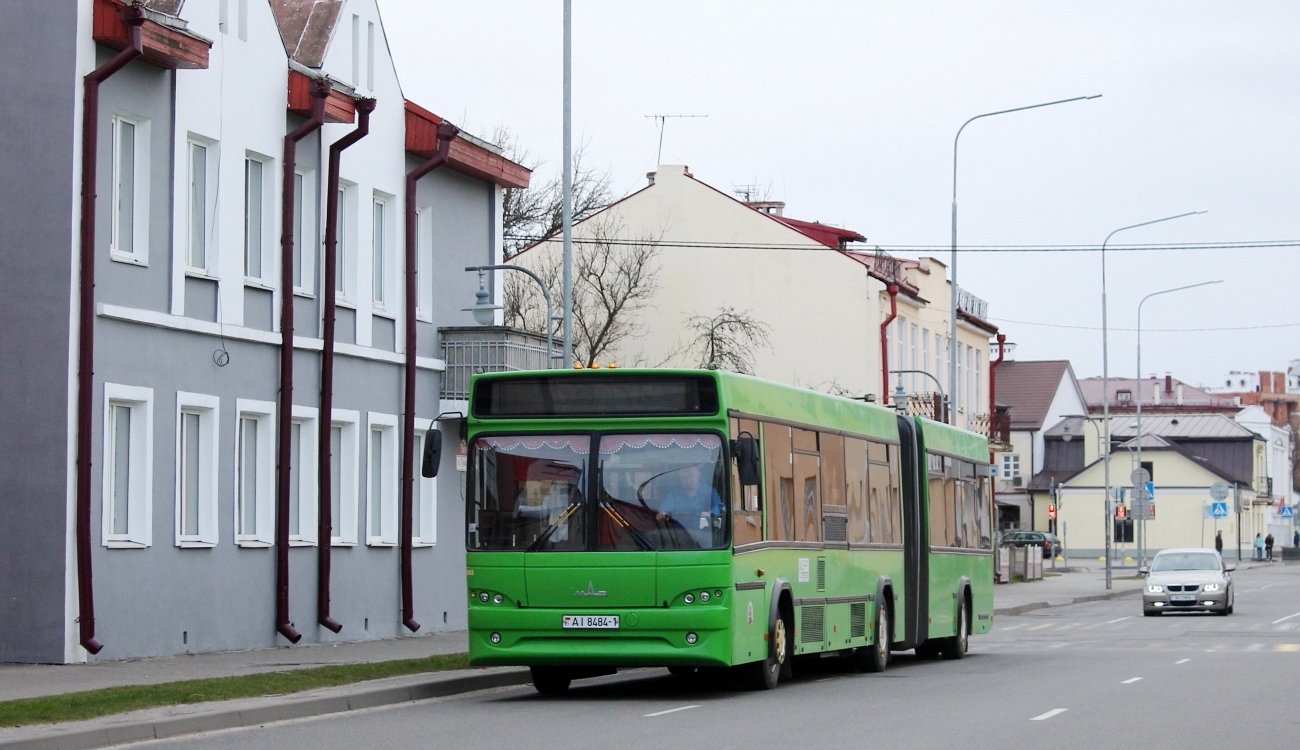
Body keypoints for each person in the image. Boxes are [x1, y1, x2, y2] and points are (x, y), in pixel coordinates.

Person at [655, 463, 723, 548]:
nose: (688, 480)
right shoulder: (674, 495)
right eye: (684, 478)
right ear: (680, 480)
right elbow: (663, 511)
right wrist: (662, 514)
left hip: (703, 534)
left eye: (690, 476)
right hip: (679, 535)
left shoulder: (708, 492)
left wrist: (709, 513)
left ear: (698, 475)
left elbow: (719, 507)